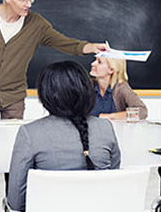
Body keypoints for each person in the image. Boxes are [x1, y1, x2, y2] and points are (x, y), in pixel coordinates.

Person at [7, 61, 121, 211]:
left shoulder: (30, 133)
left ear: (45, 94)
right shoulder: (105, 127)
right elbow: (113, 179)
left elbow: (16, 202)